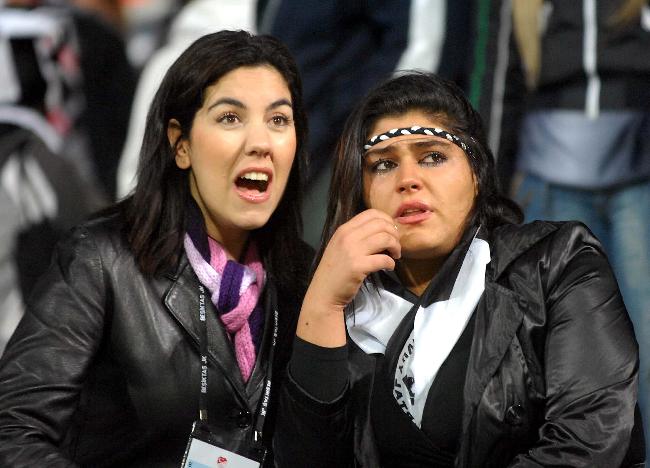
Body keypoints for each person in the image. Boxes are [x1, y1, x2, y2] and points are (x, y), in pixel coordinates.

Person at [273, 72, 645, 467]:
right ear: (361, 193)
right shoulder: (338, 306)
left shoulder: (557, 263)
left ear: (476, 173)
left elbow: (587, 443)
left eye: (433, 157)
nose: (408, 180)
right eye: (383, 164)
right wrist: (322, 306)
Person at [0, 29, 312, 467]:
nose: (260, 143)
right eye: (230, 118)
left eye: (278, 120)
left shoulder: (306, 278)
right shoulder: (102, 258)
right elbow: (14, 433)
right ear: (180, 145)